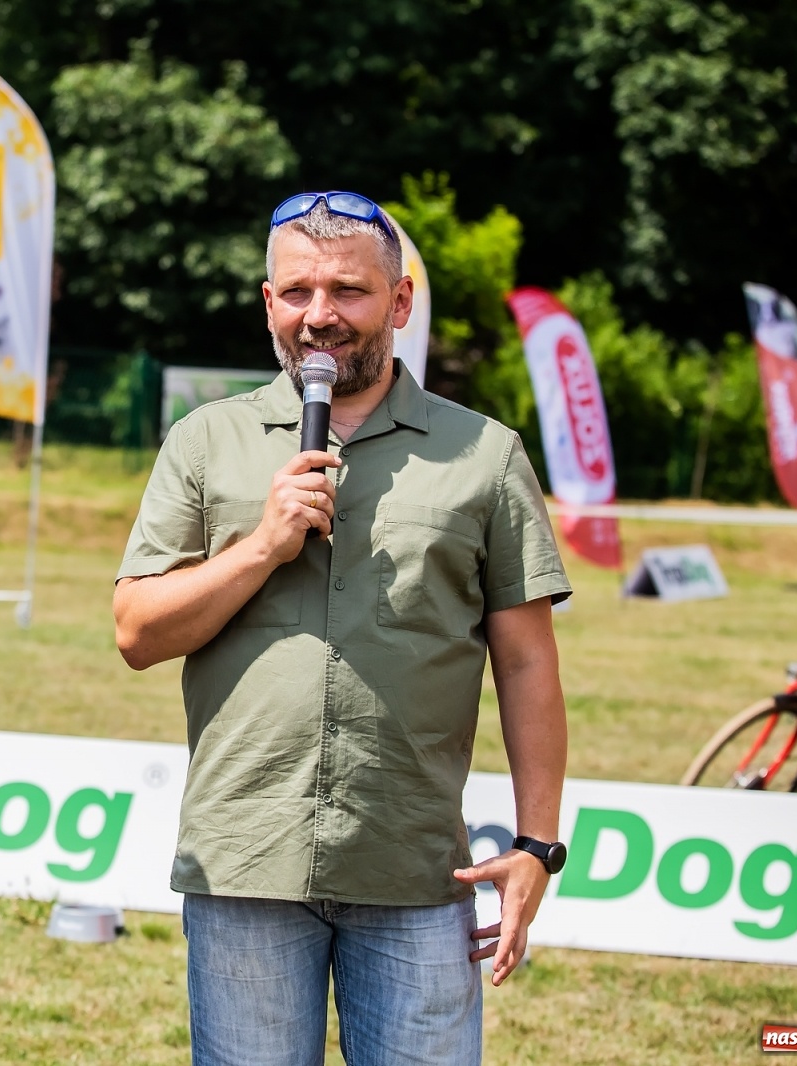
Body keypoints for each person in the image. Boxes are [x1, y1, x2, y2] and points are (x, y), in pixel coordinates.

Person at [113, 191, 572, 1066]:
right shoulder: (207, 441)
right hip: (245, 861)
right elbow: (137, 630)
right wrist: (262, 546)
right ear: (268, 302)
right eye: (297, 292)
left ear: (399, 303)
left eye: (348, 291)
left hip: (416, 869)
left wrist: (536, 845)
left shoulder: (485, 455)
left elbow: (526, 664)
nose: (320, 316)